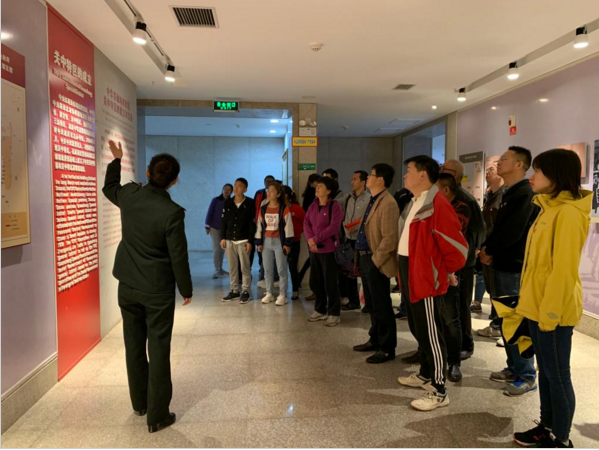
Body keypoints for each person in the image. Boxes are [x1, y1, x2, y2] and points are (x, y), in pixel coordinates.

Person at [103, 141, 192, 433]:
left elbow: (109, 187)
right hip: (157, 291)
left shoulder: (130, 195)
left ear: (147, 173)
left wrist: (117, 160)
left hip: (127, 285)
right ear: (174, 181)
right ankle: (158, 415)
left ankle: (140, 403)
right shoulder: (172, 212)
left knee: (133, 345)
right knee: (159, 348)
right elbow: (178, 255)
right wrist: (186, 289)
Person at [512, 149, 592, 449]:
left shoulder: (569, 213)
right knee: (545, 373)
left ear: (556, 175)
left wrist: (550, 314)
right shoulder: (548, 207)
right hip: (537, 306)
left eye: (538, 171)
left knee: (558, 375)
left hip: (553, 311)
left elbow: (563, 271)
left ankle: (561, 438)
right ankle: (546, 427)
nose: (532, 177)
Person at [396, 156, 468, 411]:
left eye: (409, 170)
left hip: (425, 277)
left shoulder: (438, 204)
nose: (405, 175)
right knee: (418, 328)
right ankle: (426, 374)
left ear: (423, 174)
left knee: (431, 334)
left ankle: (439, 389)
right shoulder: (416, 201)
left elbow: (456, 246)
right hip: (411, 271)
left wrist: (446, 270)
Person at [479, 146, 539, 397]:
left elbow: (514, 231)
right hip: (502, 263)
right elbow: (499, 228)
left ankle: (527, 375)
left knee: (515, 320)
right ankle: (514, 367)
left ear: (519, 165)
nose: (499, 162)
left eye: (504, 159)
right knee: (506, 320)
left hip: (514, 266)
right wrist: (487, 249)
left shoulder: (524, 193)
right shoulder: (510, 192)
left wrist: (489, 249)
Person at [351, 163, 400, 364]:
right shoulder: (374, 199)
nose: (368, 178)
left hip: (376, 261)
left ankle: (387, 347)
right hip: (366, 258)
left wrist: (375, 260)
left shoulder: (388, 203)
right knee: (371, 304)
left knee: (381, 305)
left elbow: (390, 238)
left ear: (380, 179)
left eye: (371, 175)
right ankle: (375, 339)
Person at [440, 159, 486, 361]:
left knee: (461, 304)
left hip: (463, 262)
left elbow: (478, 229)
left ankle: (466, 344)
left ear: (457, 175)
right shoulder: (442, 197)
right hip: (448, 261)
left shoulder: (465, 199)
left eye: (446, 170)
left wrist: (474, 250)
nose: (442, 172)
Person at [436, 173, 471, 382]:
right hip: (431, 268)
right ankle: (431, 358)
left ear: (445, 190)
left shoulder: (461, 208)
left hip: (451, 268)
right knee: (433, 317)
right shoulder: (429, 206)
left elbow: (449, 235)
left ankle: (454, 362)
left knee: (450, 317)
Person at [304, 176, 344, 327]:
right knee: (315, 282)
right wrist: (310, 240)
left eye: (321, 186)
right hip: (314, 249)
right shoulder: (313, 206)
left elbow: (334, 227)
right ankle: (320, 309)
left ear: (328, 191)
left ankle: (334, 313)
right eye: (317, 186)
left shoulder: (335, 206)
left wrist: (316, 239)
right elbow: (306, 223)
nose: (317, 188)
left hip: (328, 250)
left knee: (330, 283)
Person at [475, 164, 506, 332]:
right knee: (491, 288)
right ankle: (496, 323)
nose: (487, 173)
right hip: (486, 249)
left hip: (496, 251)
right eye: (487, 170)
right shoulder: (490, 196)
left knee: (499, 289)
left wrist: (492, 249)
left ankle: (499, 326)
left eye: (491, 170)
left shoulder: (504, 196)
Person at [255, 182, 294, 306]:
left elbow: (288, 227)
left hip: (279, 242)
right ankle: (269, 293)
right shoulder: (263, 209)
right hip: (266, 241)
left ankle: (282, 295)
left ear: (278, 194)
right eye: (268, 190)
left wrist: (287, 243)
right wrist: (259, 242)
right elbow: (259, 226)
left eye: (272, 190)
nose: (269, 192)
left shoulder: (283, 208)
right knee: (267, 269)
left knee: (281, 269)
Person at [220, 178, 256, 304]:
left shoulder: (250, 203)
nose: (235, 188)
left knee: (245, 267)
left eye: (239, 186)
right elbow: (223, 221)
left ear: (245, 189)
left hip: (244, 239)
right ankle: (234, 290)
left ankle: (246, 291)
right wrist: (222, 237)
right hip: (230, 239)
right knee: (232, 267)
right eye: (235, 185)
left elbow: (252, 224)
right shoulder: (228, 202)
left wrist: (250, 241)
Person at [340, 170, 371, 311]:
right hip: (348, 239)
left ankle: (368, 302)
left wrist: (357, 228)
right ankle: (353, 300)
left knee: (364, 272)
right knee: (349, 272)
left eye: (355, 179)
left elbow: (369, 220)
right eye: (352, 179)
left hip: (362, 240)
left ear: (363, 182)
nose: (352, 182)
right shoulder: (348, 197)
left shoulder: (369, 198)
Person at [298, 173, 322, 301]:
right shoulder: (312, 195)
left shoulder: (308, 194)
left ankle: (300, 277)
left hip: (312, 233)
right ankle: (316, 290)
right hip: (314, 232)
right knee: (314, 260)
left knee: (313, 259)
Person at [205, 184, 233, 279]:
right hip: (214, 227)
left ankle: (220, 268)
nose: (226, 191)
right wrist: (207, 226)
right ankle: (216, 268)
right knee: (216, 248)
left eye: (229, 190)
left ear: (231, 192)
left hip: (225, 229)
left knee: (222, 249)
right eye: (225, 189)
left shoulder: (231, 202)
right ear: (222, 189)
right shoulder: (216, 200)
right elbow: (210, 212)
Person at [283, 185, 306, 300]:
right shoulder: (279, 207)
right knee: (281, 267)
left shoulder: (297, 208)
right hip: (280, 241)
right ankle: (282, 291)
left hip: (294, 241)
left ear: (286, 195)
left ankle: (295, 290)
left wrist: (297, 233)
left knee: (292, 266)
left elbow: (305, 223)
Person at [254, 175, 276, 287]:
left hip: (273, 231)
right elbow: (255, 207)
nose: (269, 183)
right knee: (261, 250)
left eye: (271, 181)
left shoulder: (277, 196)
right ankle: (262, 271)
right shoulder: (259, 193)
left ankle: (272, 276)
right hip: (260, 225)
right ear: (264, 182)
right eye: (267, 181)